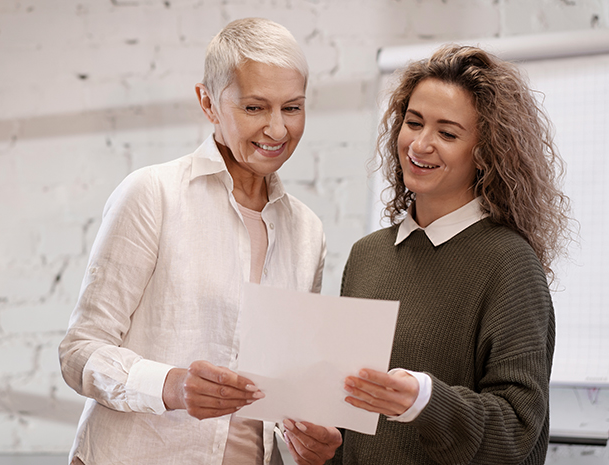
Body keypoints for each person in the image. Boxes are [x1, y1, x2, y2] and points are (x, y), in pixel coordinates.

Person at [59, 17, 342, 465]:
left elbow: (283, 388)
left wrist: (312, 439)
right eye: (254, 108)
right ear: (207, 102)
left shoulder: (307, 232)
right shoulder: (154, 194)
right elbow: (79, 352)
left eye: (292, 108)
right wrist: (171, 385)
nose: (278, 129)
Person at [330, 45, 571, 464]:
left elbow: (518, 431)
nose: (420, 144)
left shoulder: (509, 264)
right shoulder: (366, 256)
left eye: (447, 133)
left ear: (484, 152)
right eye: (414, 122)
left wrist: (425, 401)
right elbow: (349, 413)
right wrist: (322, 441)